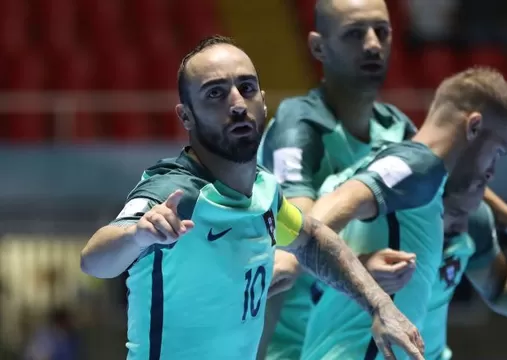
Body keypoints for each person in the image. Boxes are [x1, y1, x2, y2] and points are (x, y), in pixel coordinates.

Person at [79, 35, 425, 360]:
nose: (237, 104)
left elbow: (313, 240)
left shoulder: (264, 192)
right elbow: (94, 260)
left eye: (246, 88)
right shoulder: (174, 191)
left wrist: (381, 306)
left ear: (262, 101)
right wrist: (136, 235)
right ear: (186, 115)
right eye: (215, 94)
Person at [258, 1, 507, 359]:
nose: (373, 44)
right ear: (318, 47)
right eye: (355, 33)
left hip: (370, 331)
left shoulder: (395, 127)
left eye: (382, 31)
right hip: (294, 344)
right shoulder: (297, 126)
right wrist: (358, 266)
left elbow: (447, 177)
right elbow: (292, 236)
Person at [294, 66, 507, 360]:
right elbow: (320, 220)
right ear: (474, 127)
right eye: (498, 152)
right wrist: (378, 302)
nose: (492, 171)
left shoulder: (402, 174)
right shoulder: (420, 166)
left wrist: (356, 269)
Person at [418, 167, 507, 360]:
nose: (491, 172)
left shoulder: (473, 218)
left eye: (498, 153)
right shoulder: (379, 210)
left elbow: (505, 297)